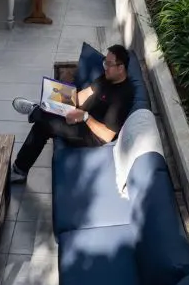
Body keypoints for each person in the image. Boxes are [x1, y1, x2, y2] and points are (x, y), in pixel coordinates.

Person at [9, 44, 135, 182]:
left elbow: (106, 135)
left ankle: (36, 111)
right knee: (44, 118)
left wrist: (85, 117)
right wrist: (61, 100)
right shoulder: (107, 78)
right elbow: (84, 95)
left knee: (44, 122)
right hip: (80, 117)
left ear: (121, 68)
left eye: (109, 64)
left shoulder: (123, 96)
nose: (105, 67)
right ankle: (19, 170)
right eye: (105, 62)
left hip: (91, 135)